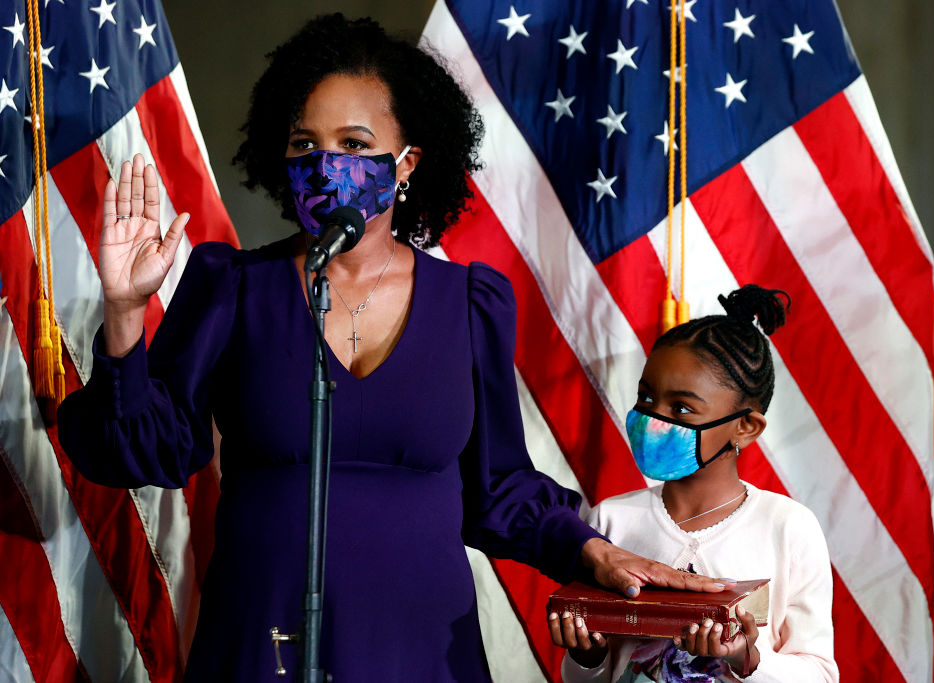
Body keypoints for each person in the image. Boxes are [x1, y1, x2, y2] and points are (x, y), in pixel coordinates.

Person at [56, 13, 725, 682]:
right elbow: (138, 451)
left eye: (353, 142)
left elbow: (499, 490)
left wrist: (592, 552)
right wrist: (123, 310)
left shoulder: (470, 303)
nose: (326, 165)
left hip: (423, 649)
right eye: (303, 144)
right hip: (263, 644)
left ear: (407, 162)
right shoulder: (233, 287)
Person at [549, 286, 839, 682]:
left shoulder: (789, 527)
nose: (654, 419)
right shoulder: (610, 521)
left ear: (745, 426)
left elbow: (820, 673)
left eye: (681, 407)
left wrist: (744, 657)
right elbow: (587, 678)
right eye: (646, 398)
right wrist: (588, 656)